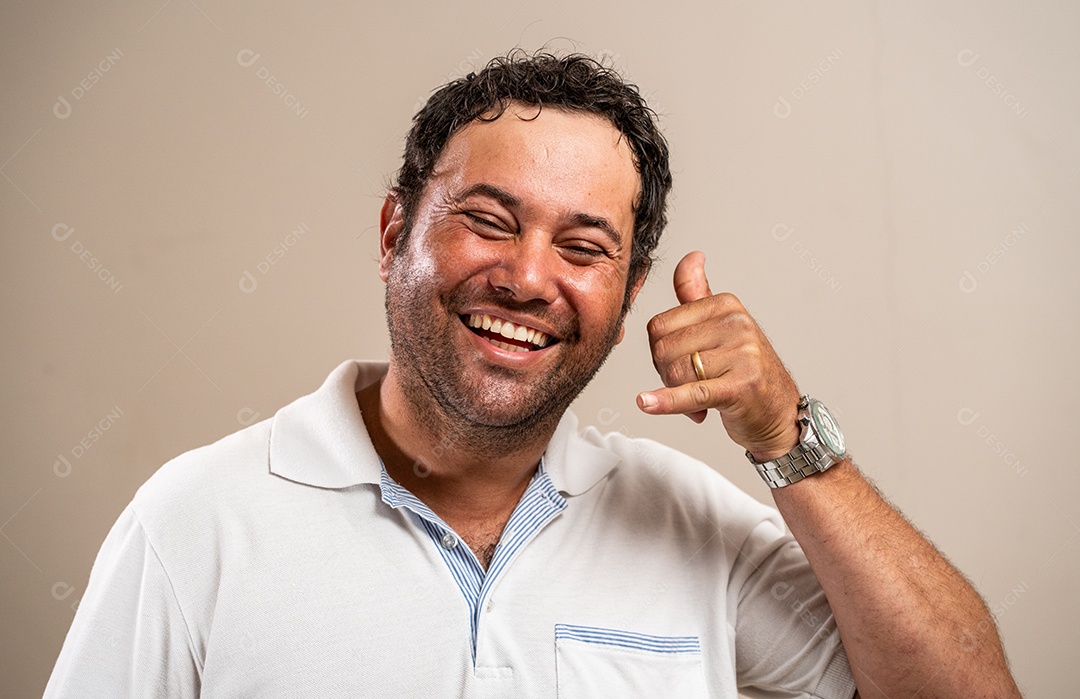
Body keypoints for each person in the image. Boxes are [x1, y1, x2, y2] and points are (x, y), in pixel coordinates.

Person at [45, 50, 1021, 698]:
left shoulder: (687, 521)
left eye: (584, 245)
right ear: (395, 234)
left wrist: (787, 444)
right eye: (489, 219)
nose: (526, 278)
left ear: (631, 289)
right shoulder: (196, 521)